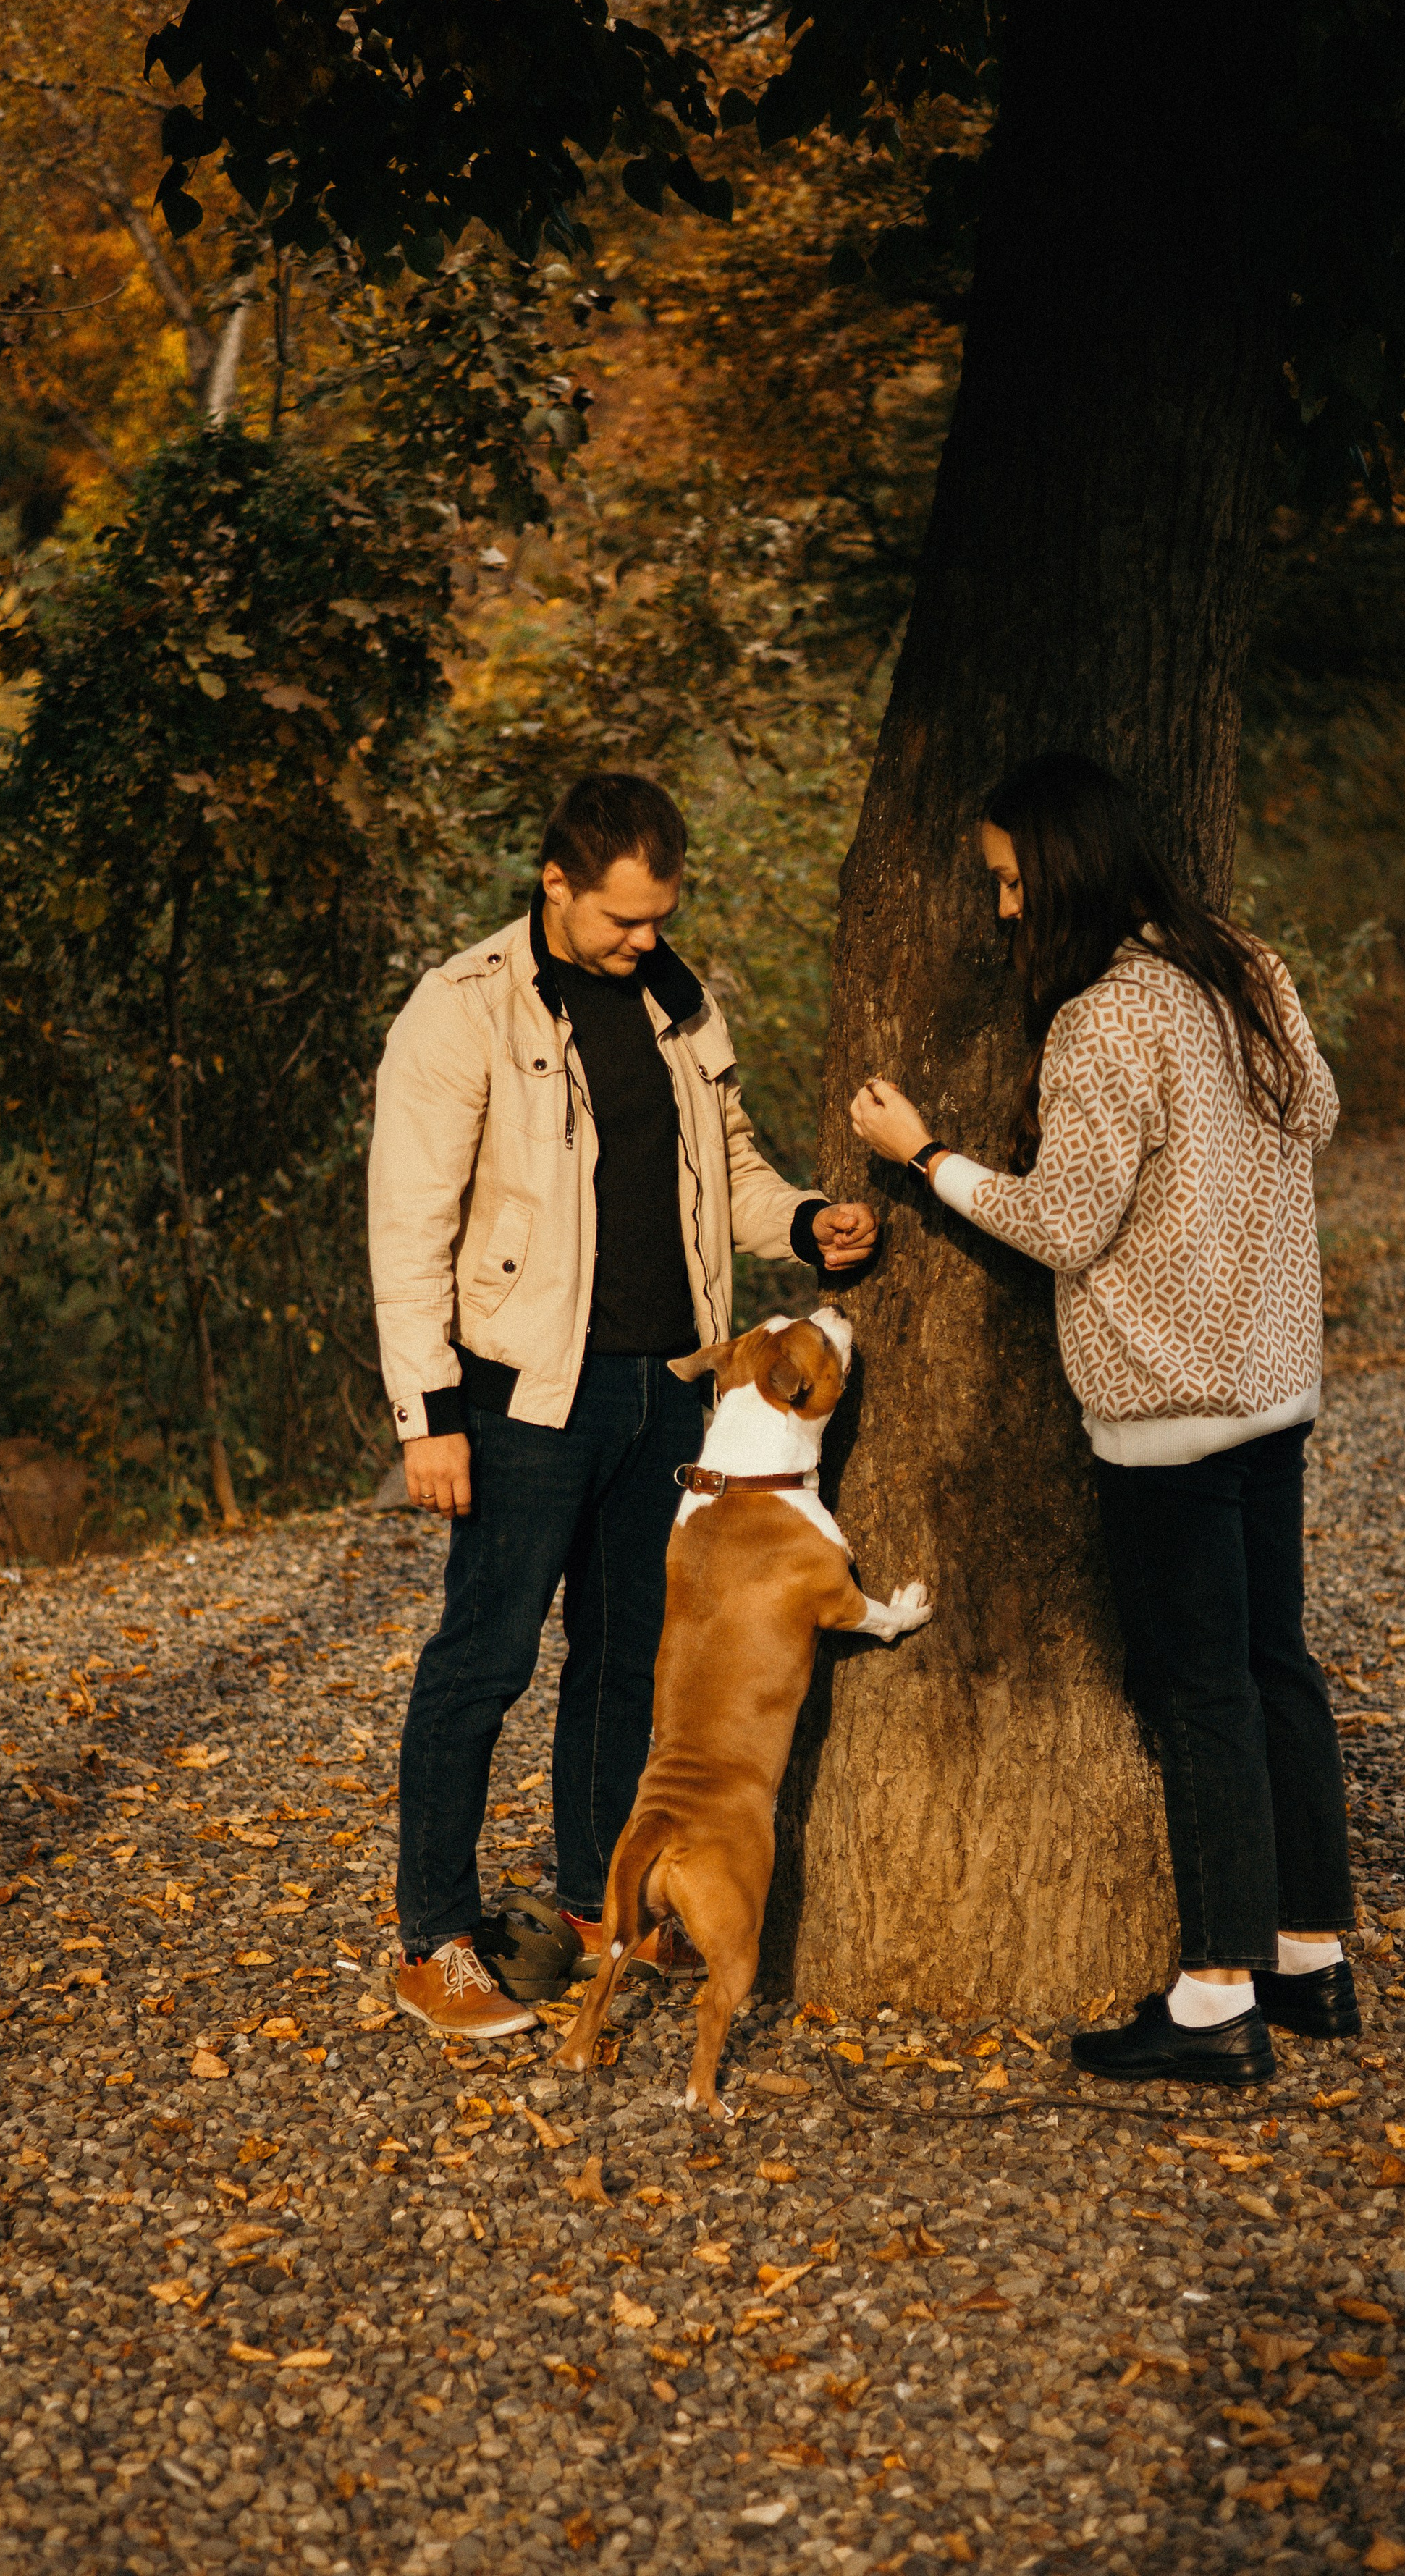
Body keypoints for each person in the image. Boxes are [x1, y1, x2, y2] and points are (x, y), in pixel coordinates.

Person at [848, 751, 1357, 2087]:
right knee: (1275, 1664)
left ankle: (1214, 1997)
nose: (1006, 911)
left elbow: (1064, 1222)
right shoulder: (1241, 965)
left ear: (1064, 868)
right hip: (1271, 1380)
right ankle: (1313, 1958)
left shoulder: (1105, 1021)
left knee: (1200, 1693)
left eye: (1012, 882)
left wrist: (924, 1157)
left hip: (1171, 1406)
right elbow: (1320, 1107)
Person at [369, 771, 879, 2037]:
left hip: (671, 1392)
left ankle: (601, 1913)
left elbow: (730, 1173)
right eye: (623, 919)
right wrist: (426, 1415)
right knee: (481, 1664)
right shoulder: (462, 1009)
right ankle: (433, 1939)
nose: (644, 939)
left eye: (659, 915)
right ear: (556, 885)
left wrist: (807, 1221)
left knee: (620, 1665)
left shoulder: (677, 1000)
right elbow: (408, 1224)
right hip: (526, 1396)